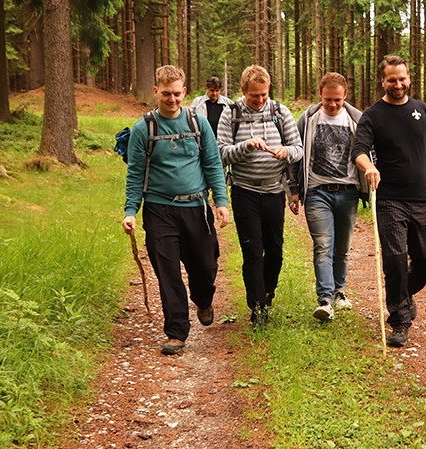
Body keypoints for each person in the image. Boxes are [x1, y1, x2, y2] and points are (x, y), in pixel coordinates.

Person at [122, 65, 229, 356]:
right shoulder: (144, 128)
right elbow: (135, 174)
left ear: (184, 91)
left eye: (177, 93)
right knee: (168, 273)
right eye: (166, 94)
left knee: (206, 267)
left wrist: (220, 203)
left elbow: (213, 165)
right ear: (156, 92)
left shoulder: (198, 123)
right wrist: (131, 211)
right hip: (159, 210)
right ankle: (176, 331)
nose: (172, 100)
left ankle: (203, 299)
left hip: (196, 206)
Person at [351, 55, 426, 347]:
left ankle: (403, 296)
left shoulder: (421, 109)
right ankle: (399, 321)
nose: (398, 84)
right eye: (392, 79)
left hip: (422, 197)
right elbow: (358, 150)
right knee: (394, 260)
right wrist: (368, 166)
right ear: (383, 81)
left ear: (408, 78)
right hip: (389, 199)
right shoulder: (373, 115)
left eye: (402, 78)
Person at [217, 65, 303, 327]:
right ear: (243, 91)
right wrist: (246, 145)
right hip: (244, 191)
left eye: (264, 94)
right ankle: (257, 309)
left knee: (275, 251)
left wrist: (285, 152)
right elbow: (221, 152)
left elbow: (298, 148)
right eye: (255, 95)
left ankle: (267, 294)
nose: (260, 100)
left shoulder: (279, 111)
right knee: (253, 251)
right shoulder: (230, 114)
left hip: (274, 190)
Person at [293, 72, 365, 322]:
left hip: (348, 191)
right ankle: (325, 299)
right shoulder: (307, 119)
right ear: (320, 96)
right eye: (328, 100)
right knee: (323, 245)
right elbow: (296, 153)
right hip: (317, 192)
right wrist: (294, 189)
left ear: (345, 96)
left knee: (342, 248)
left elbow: (368, 152)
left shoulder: (357, 119)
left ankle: (339, 290)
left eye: (337, 100)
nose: (333, 105)